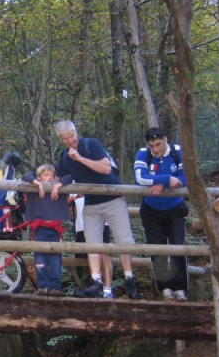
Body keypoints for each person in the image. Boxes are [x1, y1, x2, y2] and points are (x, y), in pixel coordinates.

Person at [55, 119, 139, 299]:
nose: (70, 141)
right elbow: (61, 176)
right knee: (92, 243)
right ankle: (96, 282)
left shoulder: (91, 144)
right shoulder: (63, 157)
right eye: (65, 139)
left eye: (72, 136)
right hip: (91, 203)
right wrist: (53, 185)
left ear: (76, 132)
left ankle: (129, 278)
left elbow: (106, 168)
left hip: (112, 197)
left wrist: (79, 158)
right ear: (60, 139)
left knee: (123, 240)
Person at [134, 127, 188, 301]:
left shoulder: (178, 152)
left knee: (177, 247)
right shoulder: (144, 154)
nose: (155, 149)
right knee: (157, 250)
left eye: (158, 144)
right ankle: (165, 287)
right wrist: (166, 180)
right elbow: (140, 177)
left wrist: (160, 184)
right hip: (151, 209)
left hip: (175, 208)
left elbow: (184, 178)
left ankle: (180, 288)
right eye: (152, 145)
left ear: (166, 139)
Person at [22, 164, 71, 295]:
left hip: (55, 231)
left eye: (52, 175)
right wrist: (38, 183)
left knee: (55, 260)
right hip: (40, 230)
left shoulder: (58, 190)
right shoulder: (35, 190)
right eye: (46, 175)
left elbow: (69, 176)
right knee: (40, 260)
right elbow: (26, 175)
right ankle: (42, 286)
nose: (49, 178)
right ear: (39, 177)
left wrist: (58, 185)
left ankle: (55, 287)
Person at [71, 194, 114, 298]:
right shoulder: (71, 180)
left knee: (103, 254)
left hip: (101, 222)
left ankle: (108, 290)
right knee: (91, 256)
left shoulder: (97, 177)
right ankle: (96, 287)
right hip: (81, 225)